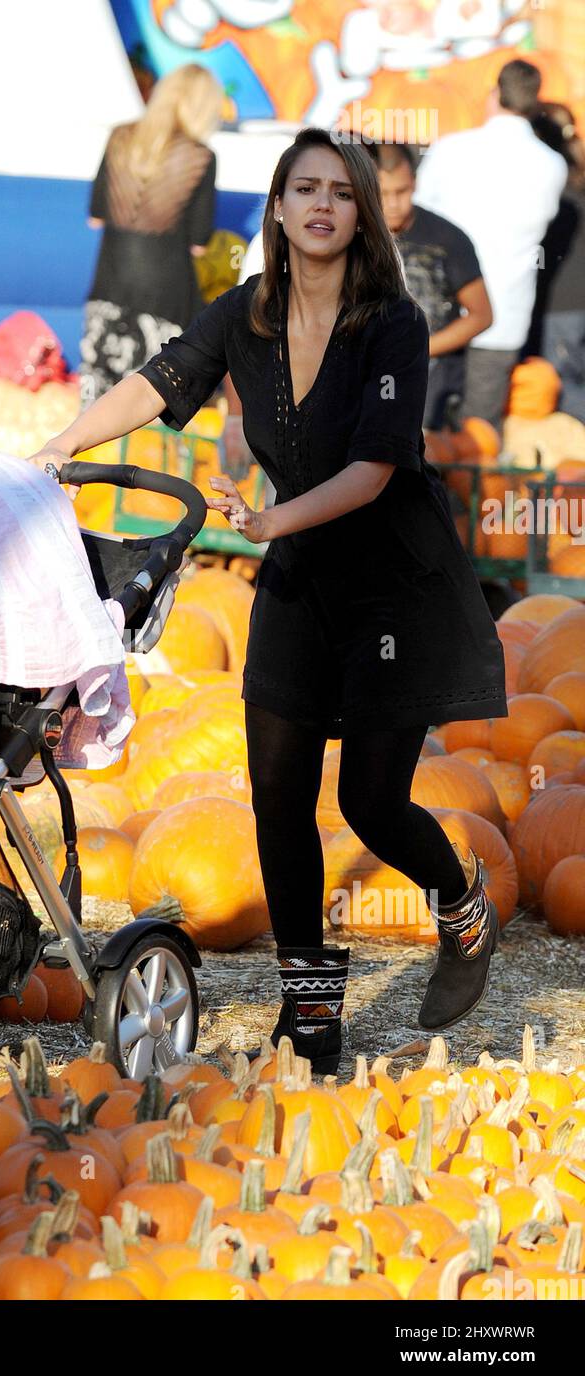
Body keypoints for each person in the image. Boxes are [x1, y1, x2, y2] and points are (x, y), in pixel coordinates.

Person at [31, 127, 508, 1072]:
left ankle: (462, 907)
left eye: (341, 191)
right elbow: (160, 379)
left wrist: (267, 524)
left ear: (361, 212)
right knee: (279, 798)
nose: (323, 205)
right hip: (297, 580)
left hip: (391, 587)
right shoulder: (243, 313)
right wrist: (62, 445)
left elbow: (375, 471)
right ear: (280, 208)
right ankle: (313, 1006)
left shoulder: (393, 324)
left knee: (374, 803)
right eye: (305, 189)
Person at [413, 59, 567, 432]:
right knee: (479, 439)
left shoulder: (449, 149)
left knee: (419, 431)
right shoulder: (552, 165)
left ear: (495, 93)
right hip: (503, 317)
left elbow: (418, 222)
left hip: (436, 316)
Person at [79, 64, 221, 408]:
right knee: (156, 405)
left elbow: (96, 215)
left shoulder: (119, 137)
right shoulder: (200, 157)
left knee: (95, 406)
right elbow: (199, 242)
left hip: (109, 289)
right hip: (166, 299)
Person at [371, 142, 492, 430]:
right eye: (383, 194)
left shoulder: (447, 238)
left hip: (430, 389)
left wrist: (421, 348)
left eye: (401, 192)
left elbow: (481, 315)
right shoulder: (356, 235)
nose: (393, 203)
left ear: (415, 183)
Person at [525, 102, 585, 423]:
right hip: (574, 302)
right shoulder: (576, 177)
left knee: (560, 393)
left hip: (560, 305)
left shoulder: (550, 183)